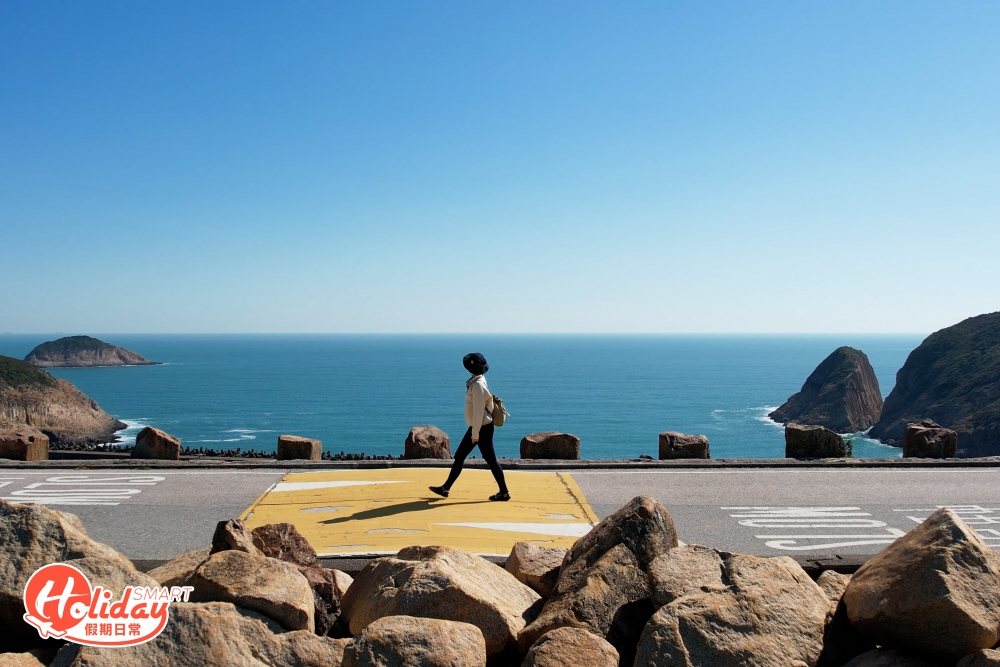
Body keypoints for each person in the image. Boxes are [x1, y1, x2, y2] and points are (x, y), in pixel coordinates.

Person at [429, 352, 510, 501]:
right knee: (467, 457)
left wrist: (475, 434)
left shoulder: (478, 385)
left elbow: (478, 411)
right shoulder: (478, 380)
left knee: (486, 459)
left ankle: (504, 492)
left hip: (481, 427)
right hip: (480, 426)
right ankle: (446, 488)